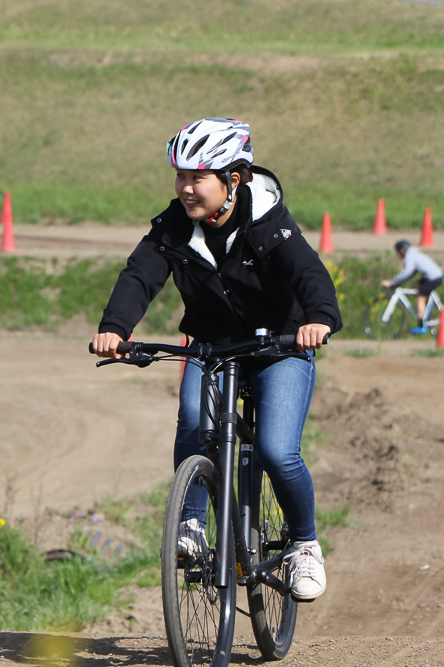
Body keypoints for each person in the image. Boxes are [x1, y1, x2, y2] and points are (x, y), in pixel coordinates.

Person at [90, 117, 341, 601]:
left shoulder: (268, 221)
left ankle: (304, 544)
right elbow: (139, 276)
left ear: (234, 180)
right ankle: (191, 526)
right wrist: (115, 328)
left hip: (280, 346)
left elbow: (309, 272)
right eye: (180, 176)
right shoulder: (173, 227)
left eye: (197, 177)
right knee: (193, 420)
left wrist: (319, 318)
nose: (186, 188)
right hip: (210, 345)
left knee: (275, 449)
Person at [382, 240, 444, 334]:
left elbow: (406, 272)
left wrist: (392, 282)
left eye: (397, 253)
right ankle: (424, 311)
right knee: (414, 286)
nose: (398, 255)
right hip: (433, 276)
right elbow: (412, 273)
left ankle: (421, 326)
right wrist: (398, 282)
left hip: (433, 278)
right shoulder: (414, 254)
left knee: (420, 298)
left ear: (402, 251)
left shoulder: (409, 256)